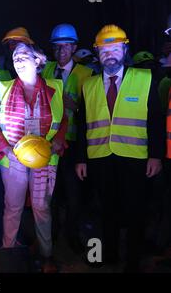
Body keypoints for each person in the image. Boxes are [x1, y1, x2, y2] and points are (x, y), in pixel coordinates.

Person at [75, 25, 164, 272]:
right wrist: (81, 159)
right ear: (98, 54)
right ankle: (111, 254)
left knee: (136, 209)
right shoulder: (89, 85)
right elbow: (82, 125)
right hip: (100, 156)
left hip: (136, 157)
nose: (109, 54)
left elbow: (156, 121)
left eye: (115, 48)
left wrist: (156, 156)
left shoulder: (145, 79)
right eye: (104, 50)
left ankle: (133, 260)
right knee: (106, 209)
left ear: (124, 50)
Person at [0, 42, 67, 273]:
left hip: (44, 158)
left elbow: (63, 119)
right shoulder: (3, 88)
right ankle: (8, 253)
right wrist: (5, 149)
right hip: (12, 158)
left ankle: (46, 255)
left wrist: (58, 141)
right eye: (15, 56)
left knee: (41, 207)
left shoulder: (54, 86)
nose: (18, 59)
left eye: (24, 55)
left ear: (38, 60)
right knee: (13, 207)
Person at [42, 23, 93, 254]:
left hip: (72, 143)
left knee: (73, 195)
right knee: (49, 193)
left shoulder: (87, 74)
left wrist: (76, 106)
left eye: (65, 47)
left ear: (74, 48)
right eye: (57, 47)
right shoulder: (45, 69)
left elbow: (94, 110)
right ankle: (50, 234)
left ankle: (72, 234)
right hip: (49, 143)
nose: (61, 52)